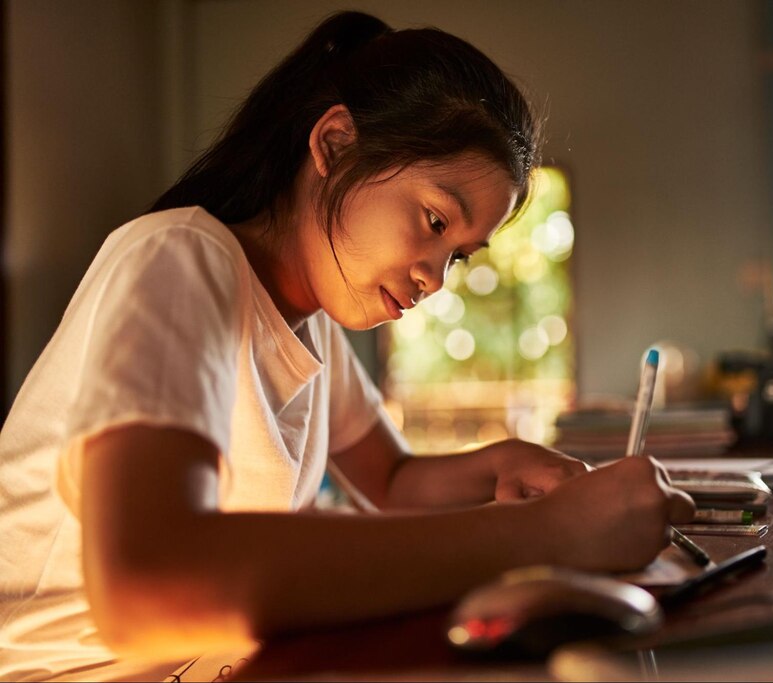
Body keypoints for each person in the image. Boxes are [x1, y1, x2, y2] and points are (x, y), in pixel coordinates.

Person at [0, 10, 694, 681]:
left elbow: (391, 481)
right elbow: (147, 586)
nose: (435, 279)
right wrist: (546, 533)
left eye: (458, 255)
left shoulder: (312, 327)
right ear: (334, 145)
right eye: (434, 221)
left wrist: (503, 465)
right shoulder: (179, 260)